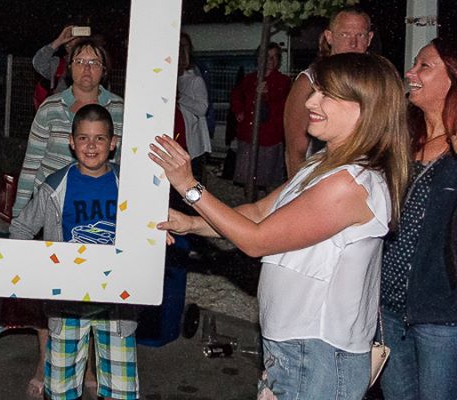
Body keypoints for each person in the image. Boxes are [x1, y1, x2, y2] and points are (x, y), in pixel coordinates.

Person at [150, 52, 409, 399]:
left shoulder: (351, 183)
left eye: (326, 94)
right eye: (314, 91)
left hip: (316, 352)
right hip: (292, 346)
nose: (310, 101)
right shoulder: (324, 162)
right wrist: (193, 223)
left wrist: (189, 187)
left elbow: (257, 240)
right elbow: (258, 212)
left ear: (365, 108)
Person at [14, 37, 124, 399]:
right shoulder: (50, 108)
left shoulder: (120, 109)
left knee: (103, 305)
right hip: (57, 211)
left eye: (94, 61)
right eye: (79, 61)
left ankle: (93, 370)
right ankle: (50, 367)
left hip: (104, 208)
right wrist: (21, 214)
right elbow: (31, 162)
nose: (87, 68)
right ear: (69, 67)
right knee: (58, 300)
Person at [379, 37, 457, 399]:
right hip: (389, 309)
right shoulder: (404, 139)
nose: (410, 72)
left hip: (442, 313)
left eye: (424, 66)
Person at [283, 8, 373, 176]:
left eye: (360, 35)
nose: (353, 44)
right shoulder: (309, 81)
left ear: (369, 39)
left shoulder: (376, 82)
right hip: (321, 179)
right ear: (329, 37)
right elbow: (295, 150)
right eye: (345, 35)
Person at [230, 42, 291, 189]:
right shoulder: (250, 79)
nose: (271, 60)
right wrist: (239, 111)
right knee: (247, 177)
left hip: (269, 137)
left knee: (266, 179)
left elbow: (282, 105)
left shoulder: (283, 81)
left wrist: (266, 95)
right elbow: (236, 96)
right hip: (248, 135)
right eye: (267, 57)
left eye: (275, 57)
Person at [176, 33, 210, 178]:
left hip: (189, 144)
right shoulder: (168, 80)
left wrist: (180, 97)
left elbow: (202, 109)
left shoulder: (194, 80)